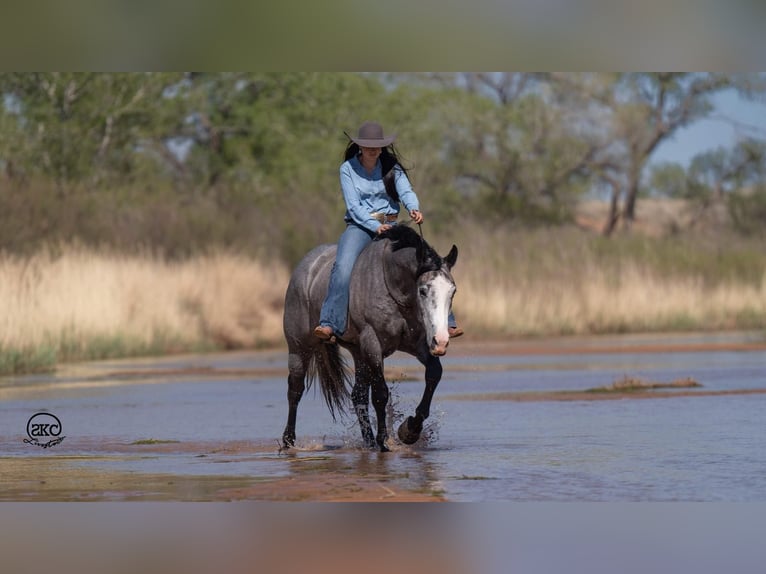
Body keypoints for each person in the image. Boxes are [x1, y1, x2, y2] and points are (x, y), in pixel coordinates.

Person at [313, 121, 463, 341]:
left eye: (377, 145)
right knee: (343, 267)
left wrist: (414, 208)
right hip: (361, 225)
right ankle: (330, 323)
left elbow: (406, 191)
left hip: (392, 225)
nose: (373, 149)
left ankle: (448, 322)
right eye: (367, 145)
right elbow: (353, 206)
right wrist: (375, 226)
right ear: (360, 147)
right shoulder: (347, 169)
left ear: (382, 147)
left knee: (430, 264)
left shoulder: (393, 167)